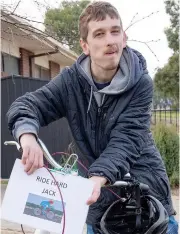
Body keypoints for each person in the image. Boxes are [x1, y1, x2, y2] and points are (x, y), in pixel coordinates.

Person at [7, 1, 178, 233]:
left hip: (144, 197)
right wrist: (27, 135)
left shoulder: (141, 84)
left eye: (115, 31)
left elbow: (126, 140)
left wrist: (97, 177)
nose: (110, 40)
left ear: (124, 38)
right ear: (85, 45)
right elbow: (27, 105)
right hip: (96, 200)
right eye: (99, 34)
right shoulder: (70, 81)